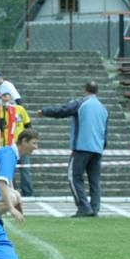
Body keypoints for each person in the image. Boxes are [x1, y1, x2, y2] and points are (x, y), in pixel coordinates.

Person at [36, 81, 108, 218]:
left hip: (82, 147)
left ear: (85, 90)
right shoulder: (103, 108)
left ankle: (83, 207)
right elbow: (105, 131)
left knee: (74, 177)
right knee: (94, 180)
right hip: (97, 149)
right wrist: (102, 146)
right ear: (98, 91)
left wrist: (44, 111)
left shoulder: (81, 103)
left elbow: (63, 110)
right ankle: (94, 207)